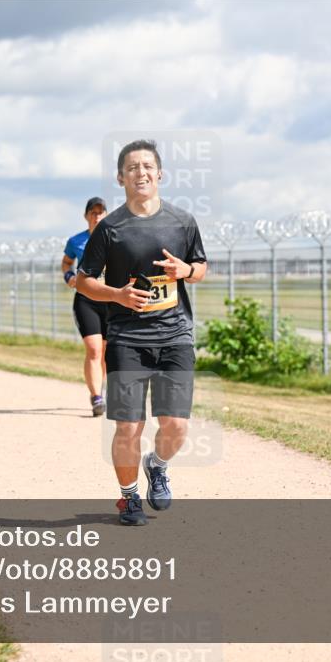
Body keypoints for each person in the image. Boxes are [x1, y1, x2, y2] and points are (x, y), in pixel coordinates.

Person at [77, 140, 207, 526]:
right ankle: (129, 498)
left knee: (176, 425)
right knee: (129, 426)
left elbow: (201, 267)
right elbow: (83, 282)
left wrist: (185, 271)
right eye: (132, 167)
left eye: (147, 166)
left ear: (160, 173)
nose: (141, 173)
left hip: (175, 335)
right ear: (121, 178)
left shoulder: (182, 221)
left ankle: (158, 464)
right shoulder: (109, 228)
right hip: (127, 339)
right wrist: (116, 294)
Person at [62, 197, 109, 417]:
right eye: (93, 213)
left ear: (106, 215)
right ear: (86, 216)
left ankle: (103, 389)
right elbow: (66, 263)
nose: (97, 216)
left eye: (101, 212)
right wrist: (69, 276)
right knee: (94, 349)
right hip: (85, 299)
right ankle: (96, 397)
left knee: (107, 353)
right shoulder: (76, 241)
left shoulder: (114, 238)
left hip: (109, 299)